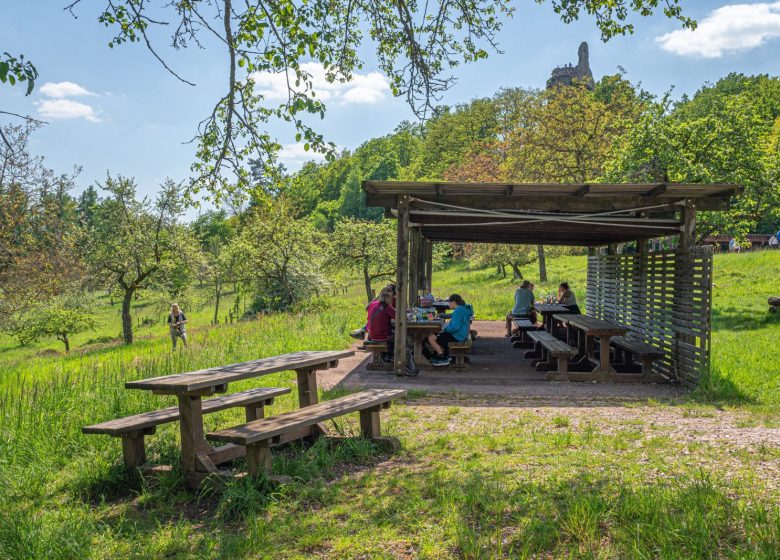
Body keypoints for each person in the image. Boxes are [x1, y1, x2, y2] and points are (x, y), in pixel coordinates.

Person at [426, 294, 473, 366]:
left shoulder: (458, 311)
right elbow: (452, 315)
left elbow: (455, 327)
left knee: (431, 337)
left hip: (458, 336)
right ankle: (441, 355)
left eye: (449, 302)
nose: (448, 304)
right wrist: (441, 315)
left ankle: (443, 357)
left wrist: (445, 328)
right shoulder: (461, 309)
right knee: (437, 335)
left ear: (453, 302)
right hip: (461, 334)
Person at [366, 291, 395, 361]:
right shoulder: (387, 308)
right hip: (383, 336)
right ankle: (389, 355)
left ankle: (383, 354)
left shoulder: (375, 307)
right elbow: (397, 316)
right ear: (388, 299)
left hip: (372, 336)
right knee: (396, 337)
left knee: (387, 332)